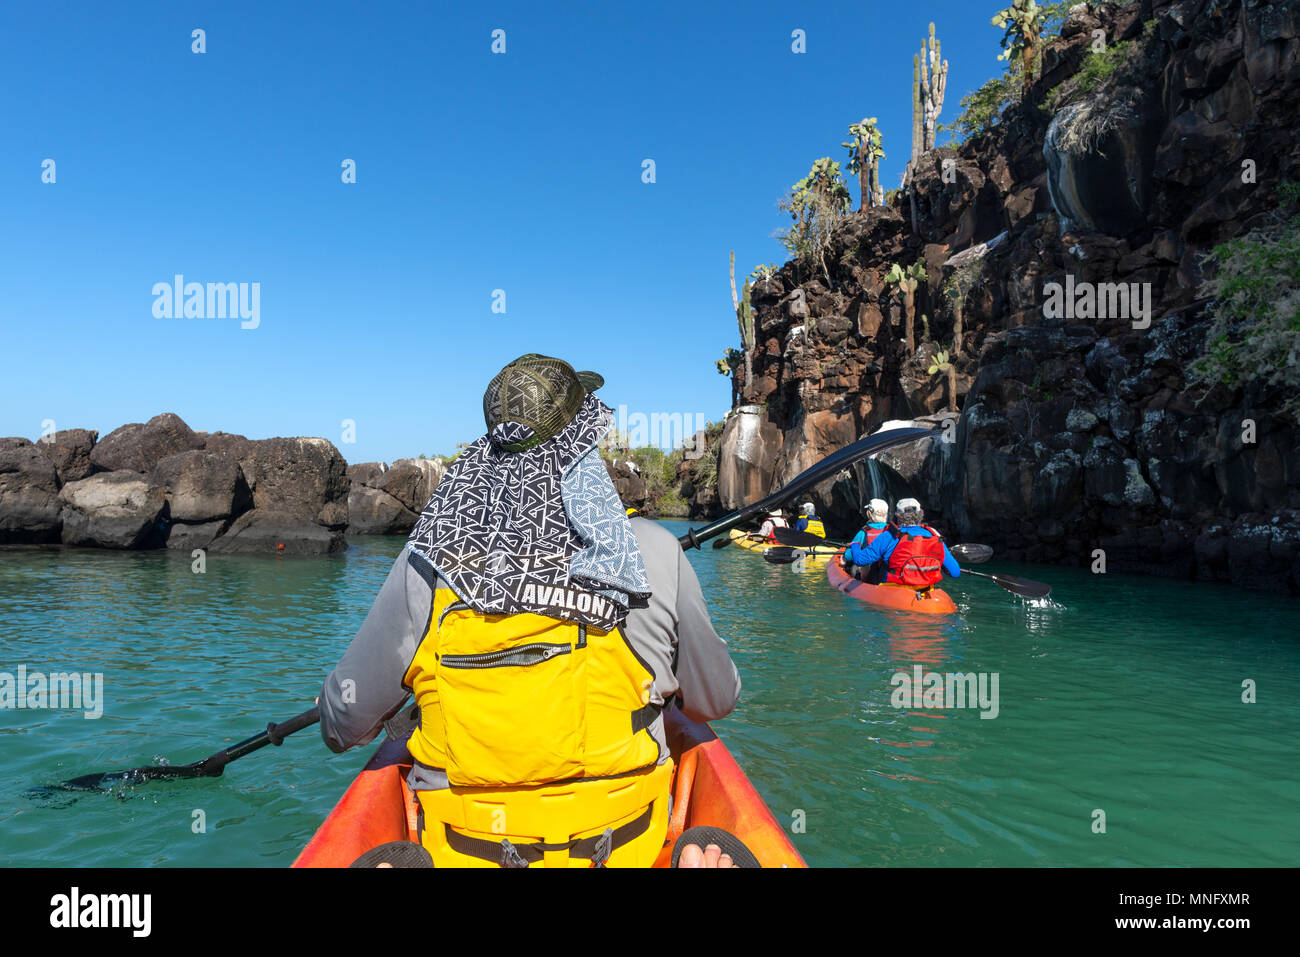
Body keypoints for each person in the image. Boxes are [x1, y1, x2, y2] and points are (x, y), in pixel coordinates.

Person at [318, 354, 742, 868]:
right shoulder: (654, 550)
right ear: (583, 442)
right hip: (630, 847)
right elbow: (715, 700)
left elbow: (343, 723)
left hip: (462, 851)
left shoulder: (425, 563)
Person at [843, 498, 960, 589]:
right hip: (925, 590)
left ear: (897, 516)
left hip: (893, 591)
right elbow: (955, 572)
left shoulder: (889, 536)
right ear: (920, 514)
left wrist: (855, 544)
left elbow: (860, 560)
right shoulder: (934, 536)